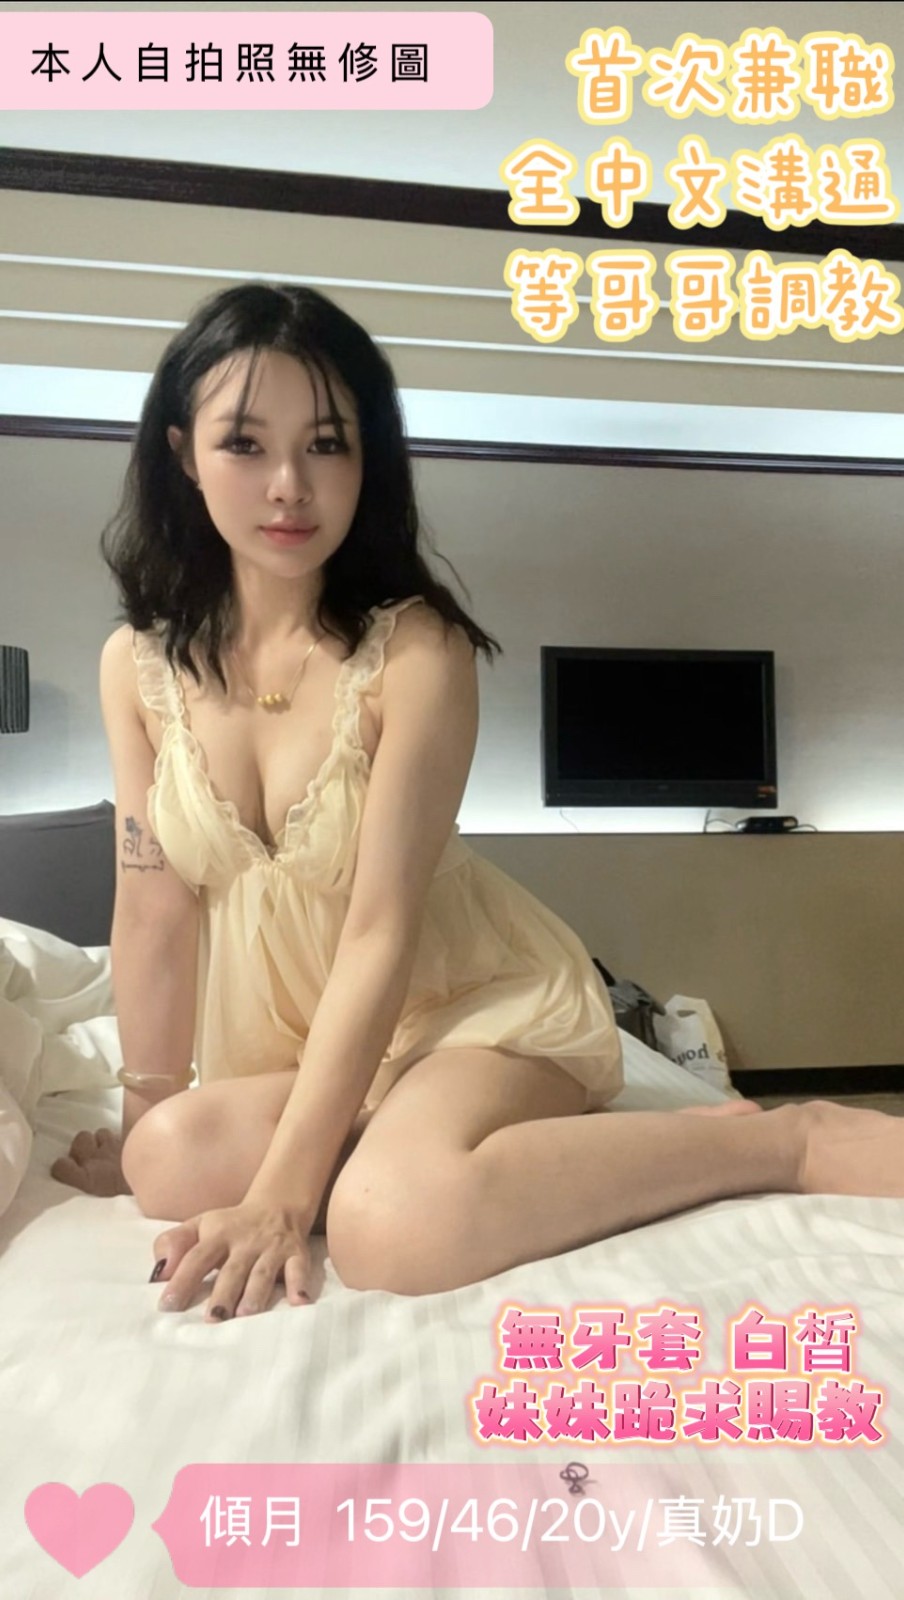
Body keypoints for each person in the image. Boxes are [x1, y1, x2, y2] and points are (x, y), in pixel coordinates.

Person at [52, 282, 904, 1320]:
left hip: (468, 1008)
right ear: (185, 454)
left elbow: (380, 929)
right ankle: (408, 1136)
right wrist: (137, 1124)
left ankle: (778, 1140)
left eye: (326, 444)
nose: (288, 485)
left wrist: (283, 1195)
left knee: (390, 1228)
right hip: (308, 1040)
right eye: (245, 443)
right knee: (166, 1162)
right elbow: (153, 910)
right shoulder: (137, 666)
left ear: (368, 458)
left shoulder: (416, 652)